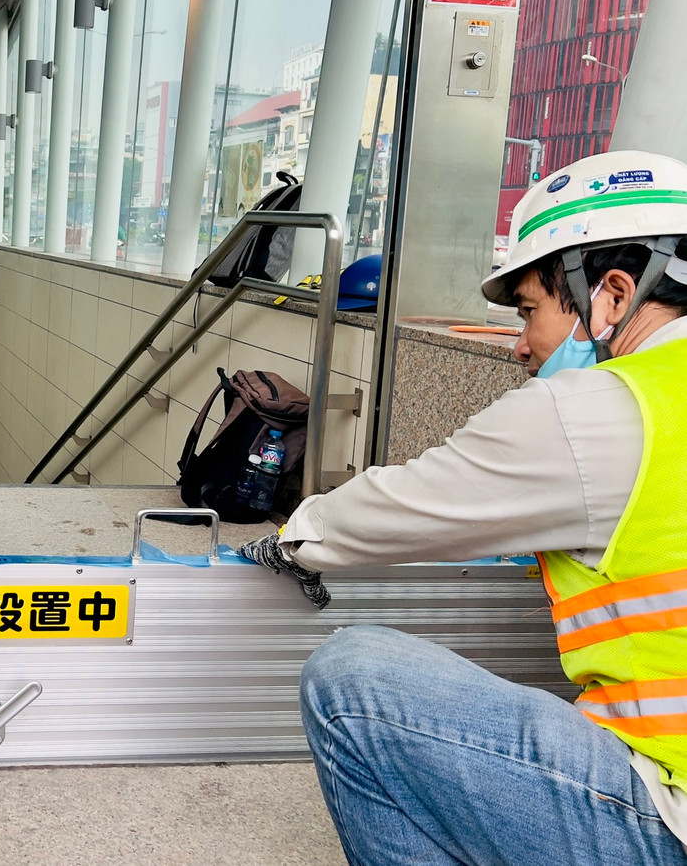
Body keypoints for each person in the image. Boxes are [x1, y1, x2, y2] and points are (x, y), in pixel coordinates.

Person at [239, 150, 687, 865]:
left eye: (530, 310)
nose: (521, 344)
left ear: (610, 294)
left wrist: (298, 535)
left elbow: (413, 500)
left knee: (352, 681)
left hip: (668, 822)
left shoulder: (605, 410)